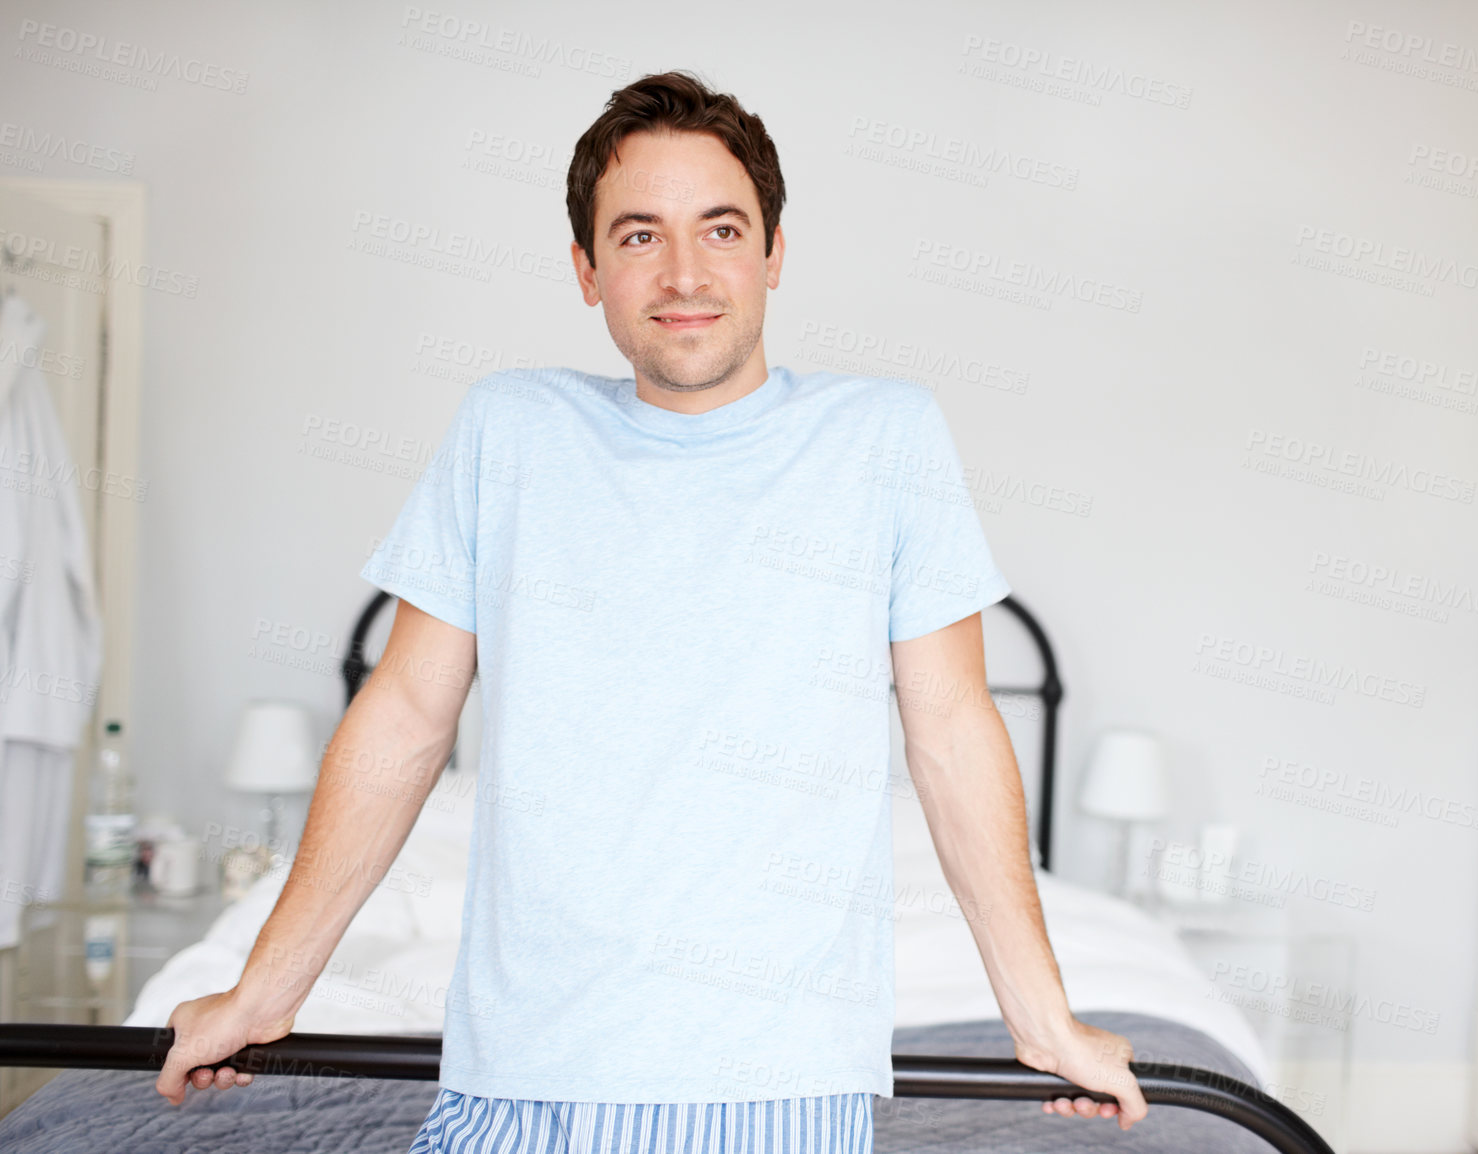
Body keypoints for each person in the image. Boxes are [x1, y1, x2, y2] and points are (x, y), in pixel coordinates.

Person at [154, 69, 1148, 1150]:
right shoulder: (509, 430)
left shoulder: (885, 440)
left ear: (773, 250)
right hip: (519, 1074)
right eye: (637, 236)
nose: (683, 272)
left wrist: (1042, 1017)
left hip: (780, 1082)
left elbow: (954, 730)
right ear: (586, 268)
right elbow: (403, 716)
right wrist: (263, 990)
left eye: (721, 229)